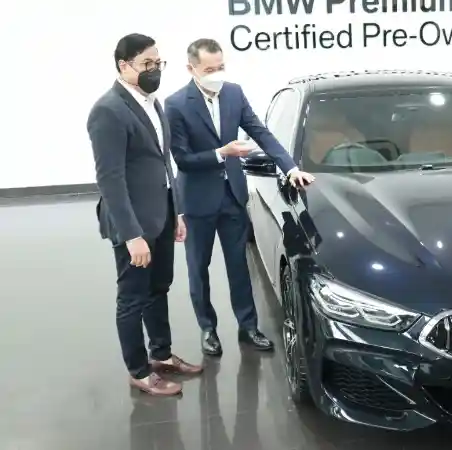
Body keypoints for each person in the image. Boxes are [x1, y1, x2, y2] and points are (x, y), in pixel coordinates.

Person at [165, 38, 315, 356]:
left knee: (240, 266)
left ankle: (248, 327)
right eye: (209, 69)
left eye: (220, 67)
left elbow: (260, 132)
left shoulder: (234, 93)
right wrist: (222, 153)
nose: (217, 74)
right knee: (198, 268)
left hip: (232, 195)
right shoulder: (176, 104)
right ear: (191, 69)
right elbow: (182, 159)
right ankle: (208, 329)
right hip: (197, 200)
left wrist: (290, 168)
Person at [87, 33, 202, 396]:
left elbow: (163, 163)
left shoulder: (153, 103)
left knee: (158, 288)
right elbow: (110, 179)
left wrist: (176, 212)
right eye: (146, 64)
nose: (155, 70)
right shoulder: (108, 110)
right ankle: (138, 371)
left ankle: (161, 354)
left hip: (162, 214)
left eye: (158, 63)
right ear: (124, 66)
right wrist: (132, 234)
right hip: (133, 223)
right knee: (133, 298)